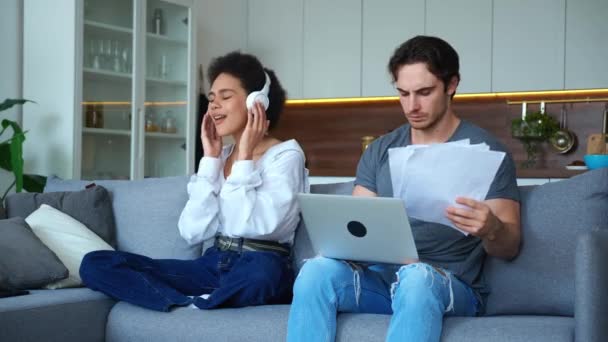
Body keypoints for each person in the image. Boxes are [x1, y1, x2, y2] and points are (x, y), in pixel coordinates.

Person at [287, 36, 521, 342]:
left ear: (452, 85)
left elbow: (509, 247)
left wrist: (491, 228)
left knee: (417, 277)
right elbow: (354, 233)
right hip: (384, 282)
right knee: (315, 273)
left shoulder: (487, 151)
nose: (412, 106)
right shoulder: (381, 150)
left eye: (424, 92)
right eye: (403, 93)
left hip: (448, 284)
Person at [80, 51, 308, 312]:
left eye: (225, 97)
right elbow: (192, 232)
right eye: (211, 99)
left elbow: (256, 226)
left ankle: (200, 301)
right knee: (95, 263)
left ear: (257, 102)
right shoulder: (220, 157)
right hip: (213, 264)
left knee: (262, 277)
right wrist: (210, 160)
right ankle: (186, 304)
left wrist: (244, 156)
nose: (213, 106)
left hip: (261, 262)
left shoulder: (287, 155)